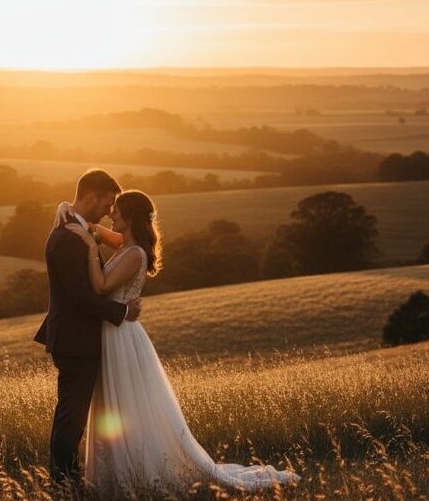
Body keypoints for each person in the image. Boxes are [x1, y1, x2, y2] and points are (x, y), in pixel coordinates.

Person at [54, 189, 301, 494]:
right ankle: (117, 472)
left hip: (120, 337)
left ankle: (139, 471)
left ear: (129, 216)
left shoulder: (134, 254)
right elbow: (108, 236)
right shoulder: (128, 245)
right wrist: (78, 220)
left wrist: (89, 244)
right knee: (115, 406)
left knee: (127, 405)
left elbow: (102, 284)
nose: (111, 214)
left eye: (117, 210)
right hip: (114, 333)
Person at [33, 169, 143, 487]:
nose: (110, 212)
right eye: (107, 205)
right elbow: (80, 297)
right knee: (72, 416)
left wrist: (71, 211)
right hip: (75, 339)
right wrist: (121, 311)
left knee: (73, 413)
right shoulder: (68, 237)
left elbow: (128, 239)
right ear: (91, 198)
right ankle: (64, 482)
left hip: (78, 338)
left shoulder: (79, 230)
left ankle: (66, 479)